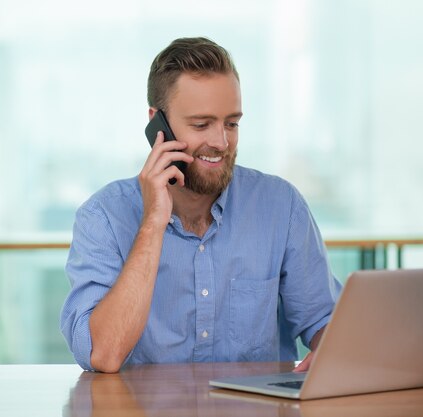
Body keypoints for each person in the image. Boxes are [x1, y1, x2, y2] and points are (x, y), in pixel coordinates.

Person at [60, 37, 342, 373]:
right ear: (157, 124)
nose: (221, 142)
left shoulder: (281, 206)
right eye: (201, 125)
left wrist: (335, 351)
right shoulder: (103, 218)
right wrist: (153, 221)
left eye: (231, 123)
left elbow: (326, 322)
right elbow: (102, 354)